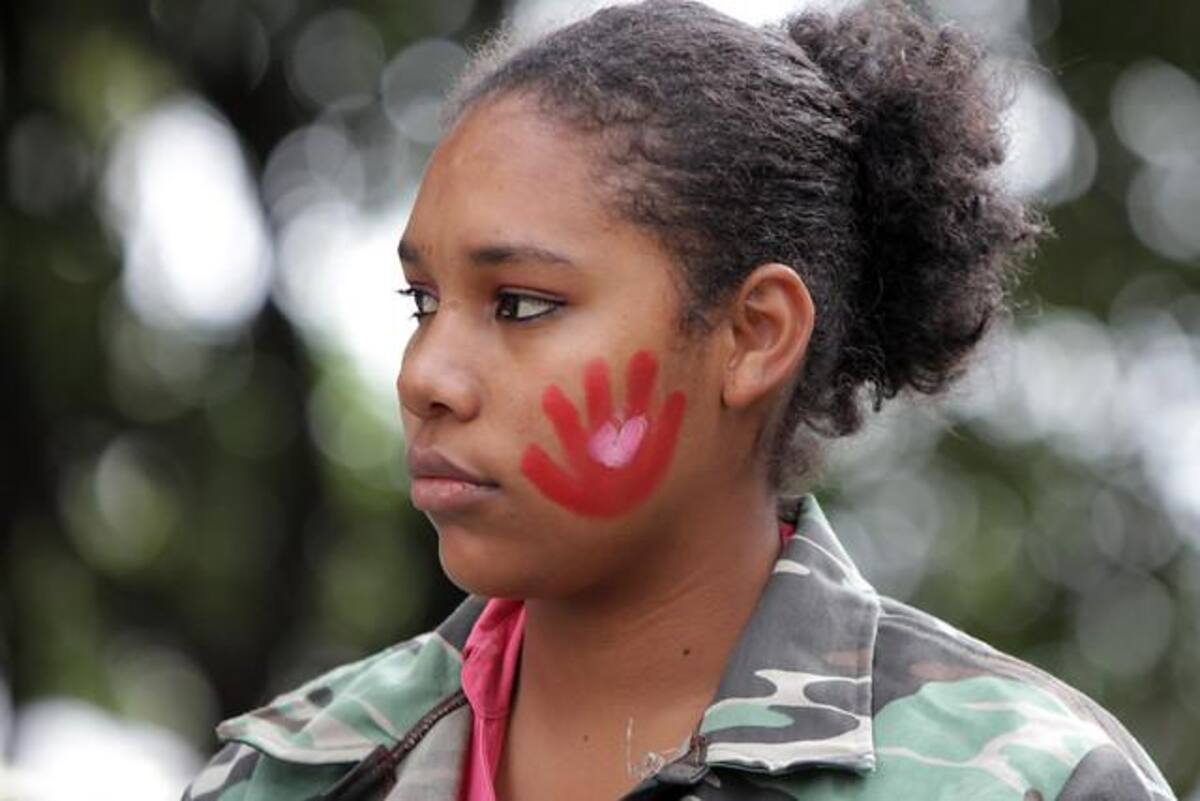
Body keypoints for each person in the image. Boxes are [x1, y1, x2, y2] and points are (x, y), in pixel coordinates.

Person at [182, 1, 1177, 799]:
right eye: (423, 302)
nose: (423, 377)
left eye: (521, 304)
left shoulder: (1031, 781)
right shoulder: (282, 775)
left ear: (752, 337)